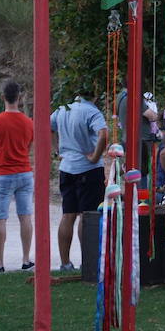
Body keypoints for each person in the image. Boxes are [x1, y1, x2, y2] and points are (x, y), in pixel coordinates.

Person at [0, 82, 34, 273]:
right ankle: (26, 259)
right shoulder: (29, 122)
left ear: (3, 97)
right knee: (25, 216)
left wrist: (0, 148)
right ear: (20, 97)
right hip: (25, 172)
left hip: (3, 173)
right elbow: (27, 147)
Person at [50, 93, 108, 272]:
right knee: (87, 216)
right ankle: (88, 261)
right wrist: (95, 156)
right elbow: (104, 134)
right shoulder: (91, 111)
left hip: (66, 168)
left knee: (68, 215)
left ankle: (65, 262)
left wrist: (56, 150)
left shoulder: (62, 109)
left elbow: (47, 126)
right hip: (88, 170)